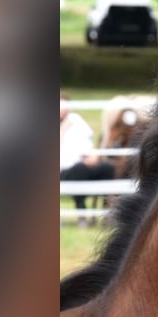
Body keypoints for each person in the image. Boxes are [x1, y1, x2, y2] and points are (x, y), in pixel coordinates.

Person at [60, 91, 116, 227]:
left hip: (83, 163)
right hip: (63, 170)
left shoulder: (76, 121)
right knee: (79, 170)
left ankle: (108, 211)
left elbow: (87, 143)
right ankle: (82, 214)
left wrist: (94, 156)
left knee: (107, 168)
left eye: (65, 105)